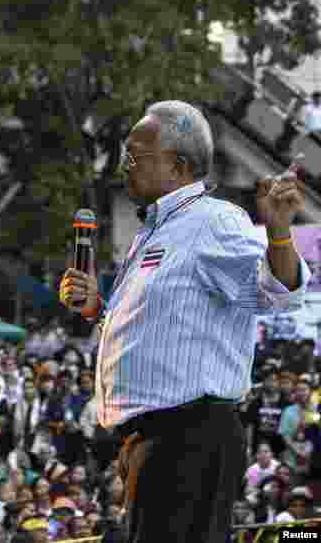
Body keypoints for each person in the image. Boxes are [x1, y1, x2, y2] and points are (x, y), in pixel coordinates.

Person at [59, 100, 311, 543]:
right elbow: (153, 330)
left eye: (136, 156)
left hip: (189, 437)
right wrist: (98, 308)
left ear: (177, 166)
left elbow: (278, 292)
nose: (124, 165)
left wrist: (279, 233)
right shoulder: (154, 232)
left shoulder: (212, 221)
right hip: (153, 440)